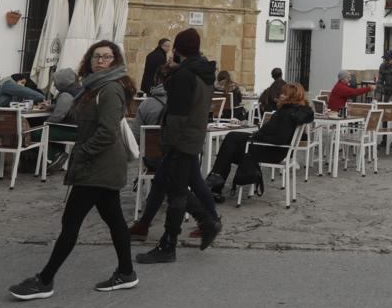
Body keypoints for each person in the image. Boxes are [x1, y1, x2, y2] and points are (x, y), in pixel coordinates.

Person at [9, 41, 139, 300]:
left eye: (107, 57)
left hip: (98, 164)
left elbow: (107, 131)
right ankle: (127, 273)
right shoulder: (92, 88)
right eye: (96, 56)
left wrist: (83, 152)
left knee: (71, 223)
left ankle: (45, 280)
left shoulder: (111, 88)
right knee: (114, 220)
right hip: (97, 164)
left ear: (115, 61)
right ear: (89, 61)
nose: (101, 60)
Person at [137, 29, 221, 264]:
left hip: (180, 140)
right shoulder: (204, 73)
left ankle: (170, 244)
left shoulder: (184, 75)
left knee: (176, 191)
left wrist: (167, 142)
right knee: (167, 182)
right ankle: (147, 226)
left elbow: (177, 115)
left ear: (177, 48)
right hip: (193, 136)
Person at [205, 83, 314, 199]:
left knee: (231, 138)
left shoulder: (287, 113)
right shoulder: (291, 111)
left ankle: (215, 182)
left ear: (292, 97)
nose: (281, 95)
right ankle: (215, 188)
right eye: (281, 93)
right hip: (269, 148)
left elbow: (280, 139)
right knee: (229, 148)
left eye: (284, 94)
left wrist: (257, 137)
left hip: (272, 151)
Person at [126, 66, 172, 242]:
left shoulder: (146, 104)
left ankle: (143, 223)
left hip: (152, 160)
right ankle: (204, 217)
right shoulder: (181, 101)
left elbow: (136, 135)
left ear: (156, 81)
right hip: (175, 159)